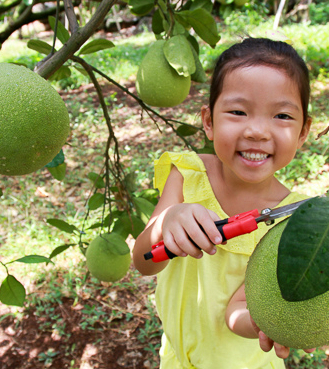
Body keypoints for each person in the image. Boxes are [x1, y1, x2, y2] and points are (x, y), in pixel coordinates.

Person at [133, 37, 315, 369]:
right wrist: (166, 221)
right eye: (237, 111)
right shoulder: (187, 174)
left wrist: (261, 321)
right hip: (176, 359)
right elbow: (144, 262)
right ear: (208, 121)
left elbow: (239, 308)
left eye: (282, 116)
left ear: (303, 131)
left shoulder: (297, 220)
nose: (257, 131)